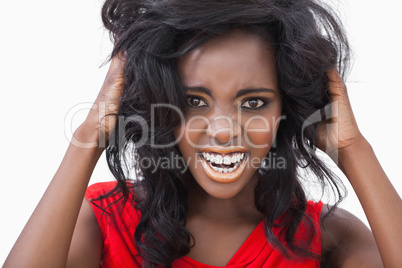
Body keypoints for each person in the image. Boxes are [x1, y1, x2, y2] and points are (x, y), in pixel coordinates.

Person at [4, 0, 402, 267]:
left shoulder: (328, 238)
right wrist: (90, 135)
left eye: (254, 103)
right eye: (194, 101)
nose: (224, 132)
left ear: (287, 110)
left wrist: (353, 149)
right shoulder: (104, 220)